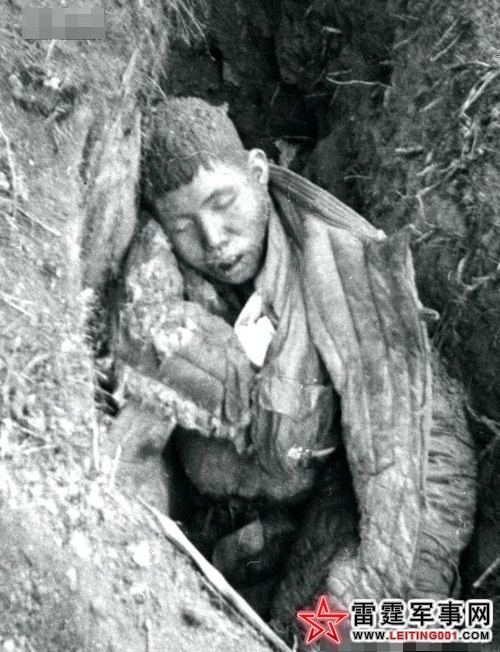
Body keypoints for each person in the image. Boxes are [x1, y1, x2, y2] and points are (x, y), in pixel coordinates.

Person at [114, 96, 477, 633]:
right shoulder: (157, 297)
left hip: (329, 512)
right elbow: (128, 442)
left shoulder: (344, 273)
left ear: (258, 173)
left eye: (224, 202)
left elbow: (426, 447)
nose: (214, 239)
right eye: (184, 224)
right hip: (212, 538)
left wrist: (384, 591)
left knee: (378, 632)